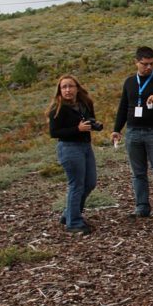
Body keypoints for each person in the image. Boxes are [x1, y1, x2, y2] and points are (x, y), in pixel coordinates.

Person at [111, 46, 153, 220]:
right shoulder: (129, 82)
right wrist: (116, 129)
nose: (148, 67)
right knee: (138, 173)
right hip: (133, 132)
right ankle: (142, 206)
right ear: (136, 62)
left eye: (151, 64)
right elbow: (123, 107)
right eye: (144, 64)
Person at [48, 75, 100, 234]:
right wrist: (77, 129)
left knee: (90, 182)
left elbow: (90, 119)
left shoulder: (85, 103)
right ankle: (74, 222)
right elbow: (54, 132)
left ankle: (69, 214)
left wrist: (94, 125)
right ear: (59, 90)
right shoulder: (57, 108)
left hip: (85, 146)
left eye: (70, 86)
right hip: (69, 147)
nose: (67, 90)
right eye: (64, 87)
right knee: (76, 184)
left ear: (77, 88)